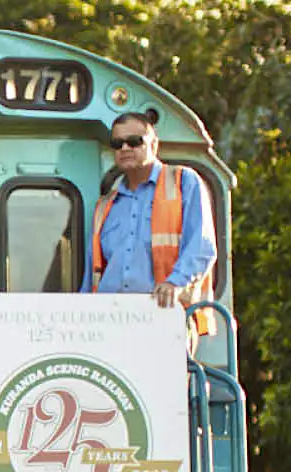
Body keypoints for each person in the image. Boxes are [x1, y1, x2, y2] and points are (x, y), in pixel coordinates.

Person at [87, 112, 217, 320]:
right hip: (109, 319)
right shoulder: (105, 205)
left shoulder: (183, 182)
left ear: (154, 145)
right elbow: (91, 273)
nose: (125, 148)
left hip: (167, 315)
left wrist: (175, 283)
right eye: (117, 143)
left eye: (134, 141)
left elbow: (201, 246)